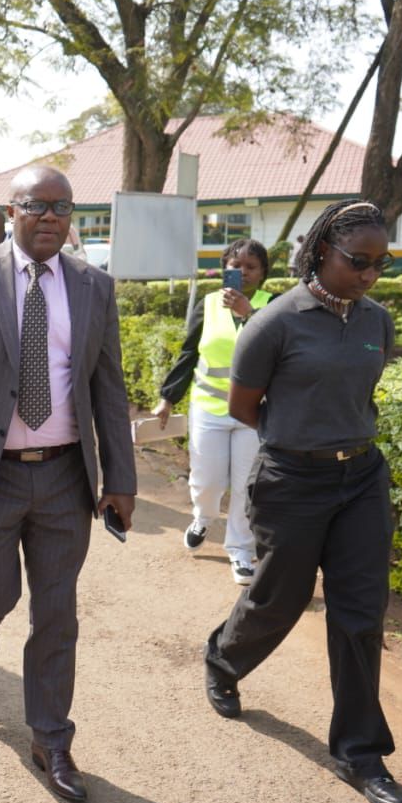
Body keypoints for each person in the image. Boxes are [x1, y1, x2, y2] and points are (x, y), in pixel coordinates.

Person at [0, 165, 137, 803]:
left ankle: (52, 738)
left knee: (57, 613)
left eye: (62, 208)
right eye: (37, 206)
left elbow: (108, 386)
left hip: (66, 476)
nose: (50, 218)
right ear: (12, 212)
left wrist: (120, 477)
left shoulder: (94, 285)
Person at [203, 200, 402, 803]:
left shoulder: (377, 321)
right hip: (292, 480)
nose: (369, 274)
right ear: (323, 251)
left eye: (380, 264)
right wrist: (299, 440)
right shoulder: (275, 322)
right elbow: (245, 408)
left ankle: (359, 752)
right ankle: (223, 659)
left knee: (360, 614)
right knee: (279, 598)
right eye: (358, 261)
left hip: (362, 479)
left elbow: (360, 393)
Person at [152, 239, 275, 585]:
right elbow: (189, 353)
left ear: (263, 273)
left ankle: (240, 550)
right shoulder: (207, 304)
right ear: (224, 269)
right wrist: (167, 398)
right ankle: (203, 517)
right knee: (207, 481)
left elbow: (279, 348)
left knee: (246, 486)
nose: (242, 272)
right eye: (235, 266)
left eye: (251, 267)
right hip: (208, 408)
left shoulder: (272, 306)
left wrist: (248, 313)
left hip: (252, 414)